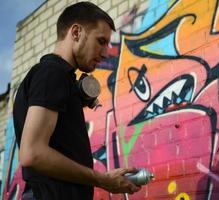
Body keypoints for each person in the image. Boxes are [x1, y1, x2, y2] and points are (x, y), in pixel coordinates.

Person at [13, 2, 141, 200]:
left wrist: (105, 179)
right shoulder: (52, 74)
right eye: (100, 41)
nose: (106, 52)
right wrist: (101, 180)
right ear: (76, 32)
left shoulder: (59, 77)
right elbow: (33, 153)